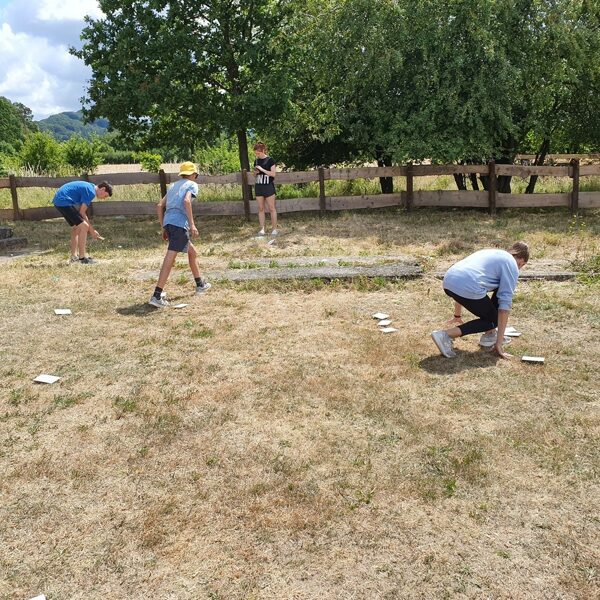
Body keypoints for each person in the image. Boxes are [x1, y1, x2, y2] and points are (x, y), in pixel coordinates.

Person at [431, 242, 530, 359]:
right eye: (521, 266)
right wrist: (498, 344)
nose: (519, 268)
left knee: (494, 303)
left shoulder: (492, 253)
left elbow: (465, 277)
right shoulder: (512, 265)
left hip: (448, 281)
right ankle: (446, 335)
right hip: (467, 285)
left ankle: (490, 334)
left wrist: (457, 315)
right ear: (522, 261)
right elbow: (504, 306)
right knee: (494, 320)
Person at [149, 161, 211, 308]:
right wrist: (192, 224)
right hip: (179, 224)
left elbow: (159, 206)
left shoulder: (173, 186)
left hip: (169, 223)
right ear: (194, 174)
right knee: (170, 257)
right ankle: (156, 295)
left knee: (192, 252)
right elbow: (187, 201)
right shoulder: (192, 185)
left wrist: (163, 227)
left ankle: (200, 284)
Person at [52, 180, 112, 264]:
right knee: (84, 226)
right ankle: (82, 258)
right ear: (103, 189)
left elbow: (82, 213)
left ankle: (74, 257)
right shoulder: (91, 192)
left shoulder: (90, 186)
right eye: (105, 196)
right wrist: (92, 231)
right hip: (63, 201)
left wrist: (92, 230)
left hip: (59, 201)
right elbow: (82, 212)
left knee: (76, 227)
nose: (104, 198)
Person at [253, 141, 278, 236]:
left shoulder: (270, 160)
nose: (257, 155)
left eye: (258, 153)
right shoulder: (256, 161)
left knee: (272, 208)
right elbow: (255, 175)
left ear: (263, 150)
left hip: (268, 186)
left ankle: (274, 229)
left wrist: (262, 169)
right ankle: (262, 229)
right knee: (260, 208)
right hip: (259, 186)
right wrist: (255, 173)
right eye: (256, 153)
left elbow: (273, 174)